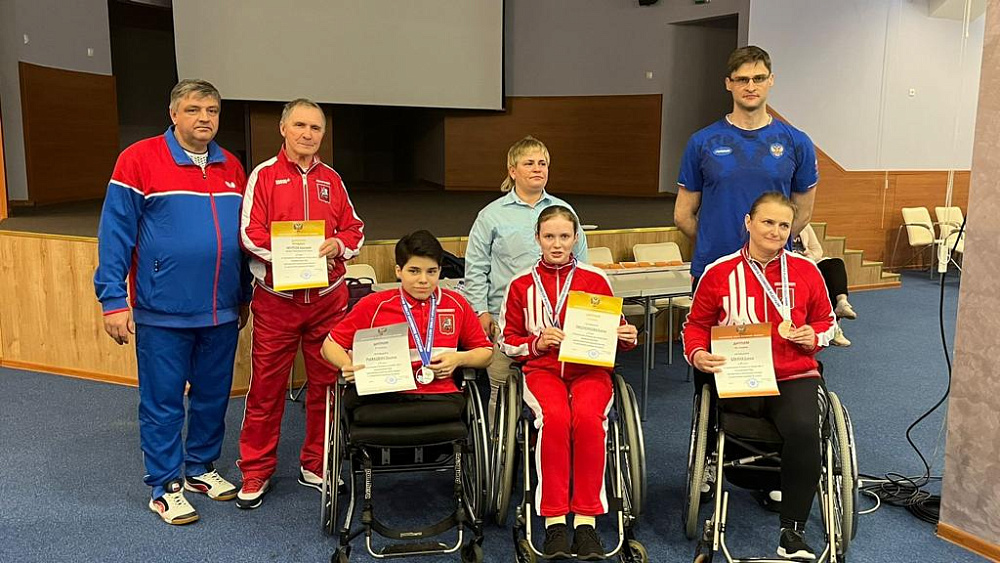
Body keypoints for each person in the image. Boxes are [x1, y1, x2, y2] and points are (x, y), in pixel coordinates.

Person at [94, 79, 249, 525]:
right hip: (162, 310)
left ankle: (200, 467)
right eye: (195, 109)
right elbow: (115, 233)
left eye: (212, 111)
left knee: (213, 396)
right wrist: (112, 299)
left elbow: (241, 239)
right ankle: (165, 486)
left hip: (221, 309)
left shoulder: (231, 166)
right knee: (162, 401)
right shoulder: (138, 159)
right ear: (174, 113)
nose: (204, 118)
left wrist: (242, 295)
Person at [683, 192, 836, 561]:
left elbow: (826, 321)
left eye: (784, 225)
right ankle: (743, 475)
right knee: (734, 427)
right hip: (739, 374)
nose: (776, 231)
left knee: (803, 428)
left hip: (793, 374)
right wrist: (698, 353)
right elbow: (696, 325)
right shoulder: (718, 272)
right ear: (749, 223)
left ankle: (792, 532)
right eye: (768, 222)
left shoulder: (806, 271)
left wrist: (813, 336)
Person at [237, 98, 365, 509]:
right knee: (266, 389)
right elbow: (250, 235)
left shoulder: (333, 179)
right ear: (283, 129)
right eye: (300, 125)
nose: (307, 134)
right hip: (278, 302)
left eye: (315, 128)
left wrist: (338, 245)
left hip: (327, 302)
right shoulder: (263, 176)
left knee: (326, 386)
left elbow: (355, 229)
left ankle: (317, 463)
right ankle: (256, 470)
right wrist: (293, 257)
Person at [499, 206, 637, 561]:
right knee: (556, 419)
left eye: (564, 236)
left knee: (589, 419)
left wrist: (627, 336)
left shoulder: (595, 279)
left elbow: (617, 331)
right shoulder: (521, 284)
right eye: (549, 236)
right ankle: (555, 522)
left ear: (576, 238)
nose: (557, 244)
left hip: (590, 371)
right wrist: (536, 343)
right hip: (542, 371)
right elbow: (506, 341)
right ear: (537, 238)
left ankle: (587, 522)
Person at [464, 136, 589, 429]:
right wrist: (481, 311)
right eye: (529, 163)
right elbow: (476, 268)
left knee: (562, 392)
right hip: (508, 321)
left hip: (559, 323)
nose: (537, 169)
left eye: (542, 163)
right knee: (501, 391)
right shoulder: (491, 215)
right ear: (512, 170)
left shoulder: (564, 211)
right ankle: (499, 445)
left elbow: (582, 267)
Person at [674, 45, 819, 285]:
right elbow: (682, 215)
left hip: (773, 270)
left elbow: (803, 213)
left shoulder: (797, 142)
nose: (751, 87)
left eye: (758, 78)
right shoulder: (701, 142)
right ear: (728, 83)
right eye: (742, 79)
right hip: (714, 268)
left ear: (771, 80)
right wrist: (712, 243)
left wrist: (768, 244)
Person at [321, 230, 493, 416]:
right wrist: (347, 365)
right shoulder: (373, 304)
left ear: (439, 271)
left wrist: (459, 359)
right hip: (383, 395)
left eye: (431, 272)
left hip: (440, 395)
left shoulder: (456, 304)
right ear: (399, 271)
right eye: (414, 271)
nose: (423, 280)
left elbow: (486, 353)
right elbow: (329, 346)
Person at [795, 224, 855, 346]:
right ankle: (831, 326)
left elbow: (817, 250)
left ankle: (842, 303)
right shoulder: (779, 226)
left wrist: (809, 258)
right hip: (792, 264)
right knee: (816, 278)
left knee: (835, 264)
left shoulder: (804, 225)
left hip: (810, 261)